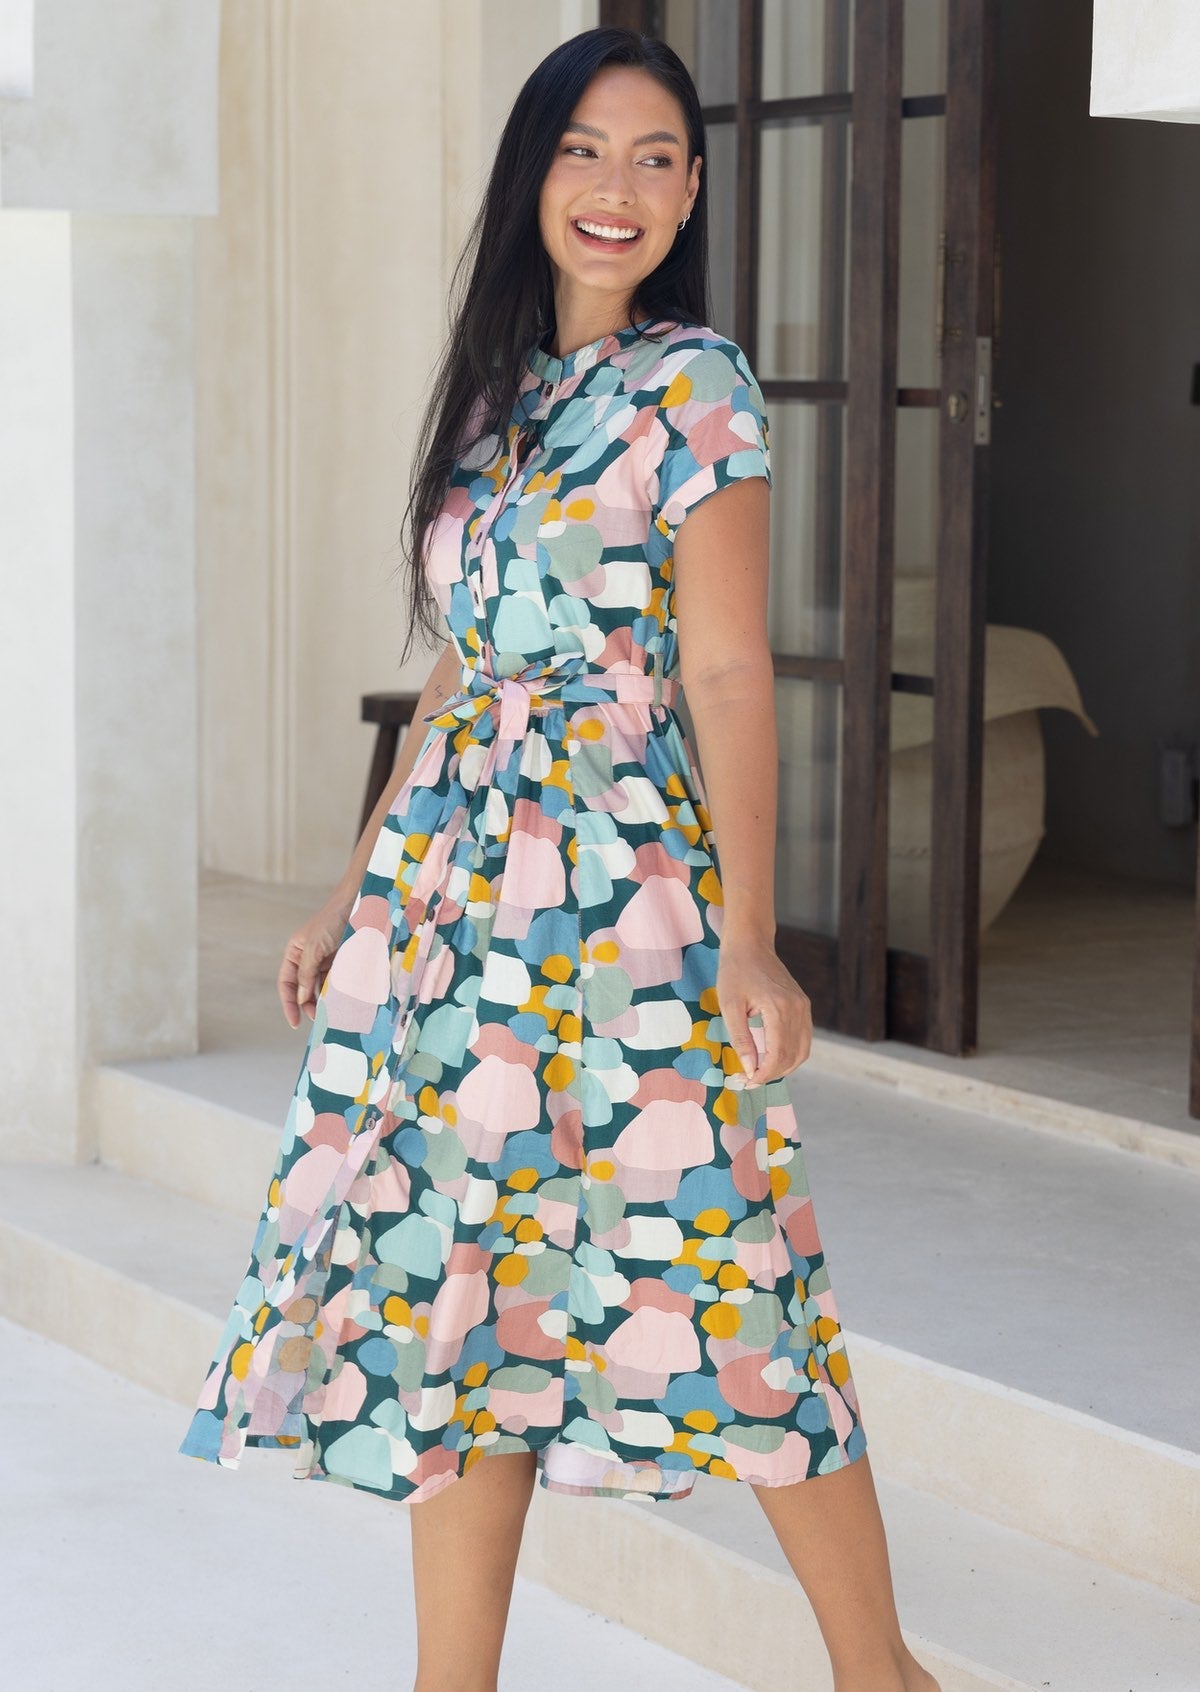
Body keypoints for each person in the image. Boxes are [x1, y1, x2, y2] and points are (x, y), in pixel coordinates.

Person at [179, 25, 939, 1692]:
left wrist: (747, 936)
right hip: (448, 923)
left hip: (626, 903)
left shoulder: (697, 385)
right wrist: (350, 882)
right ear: (535, 172)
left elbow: (728, 671)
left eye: (659, 157)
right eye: (588, 150)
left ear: (690, 194)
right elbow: (464, 664)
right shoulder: (497, 394)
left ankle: (882, 1679)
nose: (621, 188)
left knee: (729, 1272)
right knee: (465, 1303)